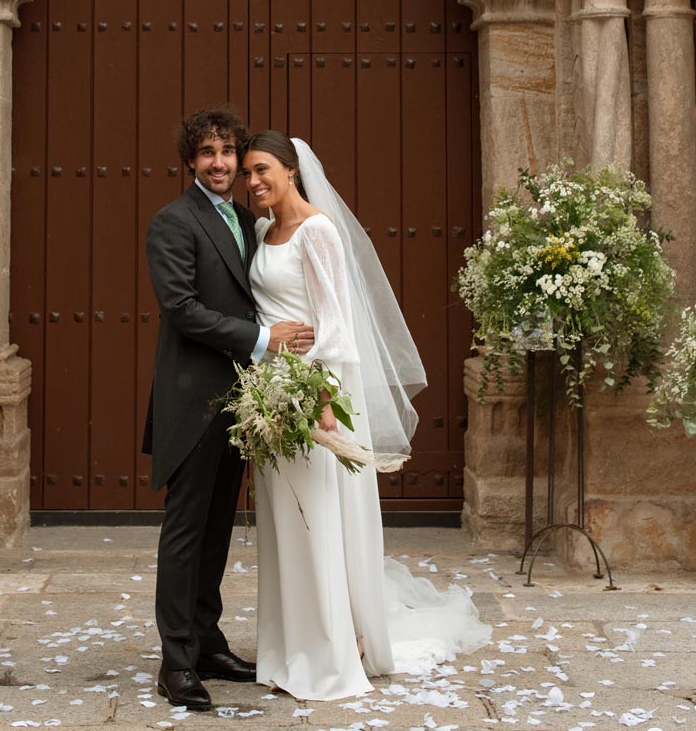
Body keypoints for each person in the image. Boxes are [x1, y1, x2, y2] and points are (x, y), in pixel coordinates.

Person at [242, 130, 491, 702]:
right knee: (285, 523)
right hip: (270, 394)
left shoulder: (319, 231)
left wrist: (323, 398)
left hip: (312, 394)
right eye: (248, 173)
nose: (253, 182)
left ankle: (336, 647)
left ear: (291, 170)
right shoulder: (261, 230)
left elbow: (335, 324)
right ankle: (291, 645)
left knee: (317, 519)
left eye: (262, 170)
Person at [143, 107, 315, 712]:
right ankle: (175, 661)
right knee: (185, 531)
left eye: (227, 152)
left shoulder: (248, 220)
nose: (219, 163)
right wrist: (265, 340)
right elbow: (182, 309)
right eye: (207, 153)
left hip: (241, 400)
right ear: (190, 160)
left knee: (217, 528)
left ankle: (208, 642)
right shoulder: (172, 222)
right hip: (193, 401)